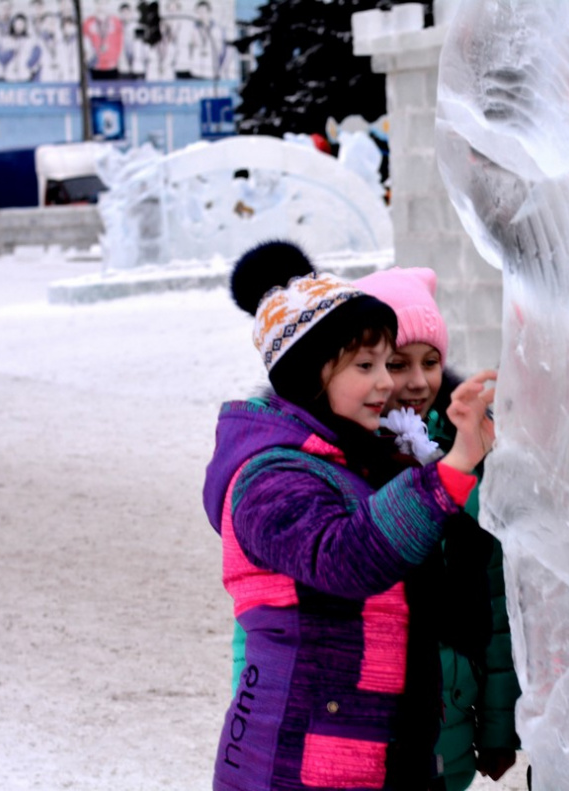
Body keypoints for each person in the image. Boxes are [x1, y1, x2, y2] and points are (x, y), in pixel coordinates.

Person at [203, 240, 497, 791]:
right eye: (367, 365)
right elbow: (347, 557)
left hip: (379, 750)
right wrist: (454, 467)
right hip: (297, 760)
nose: (387, 383)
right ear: (312, 374)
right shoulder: (268, 477)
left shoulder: (351, 458)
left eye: (387, 363)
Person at [358, 266, 522, 791]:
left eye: (431, 362)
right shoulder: (340, 465)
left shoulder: (471, 449)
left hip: (450, 722)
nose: (417, 381)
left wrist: (499, 727)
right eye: (396, 363)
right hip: (369, 725)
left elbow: (497, 605)